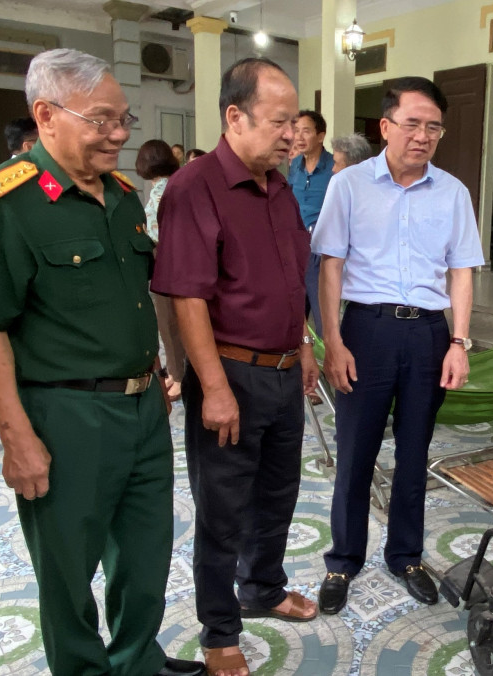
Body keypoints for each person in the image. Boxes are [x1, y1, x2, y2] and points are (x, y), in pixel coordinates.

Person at [0, 49, 204, 676]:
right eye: (101, 120)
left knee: (145, 557)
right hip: (64, 417)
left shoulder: (121, 197)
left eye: (123, 118)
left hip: (142, 408)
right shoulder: (3, 201)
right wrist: (16, 438)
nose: (119, 134)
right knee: (67, 570)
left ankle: (137, 662)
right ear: (46, 115)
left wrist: (160, 374)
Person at [151, 57, 319, 676]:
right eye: (280, 122)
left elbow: (288, 280)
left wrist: (304, 344)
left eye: (295, 123)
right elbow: (187, 297)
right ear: (235, 116)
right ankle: (220, 630)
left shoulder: (279, 187)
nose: (292, 136)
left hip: (283, 370)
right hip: (231, 374)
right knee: (222, 509)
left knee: (278, 493)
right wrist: (214, 388)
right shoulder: (194, 187)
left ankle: (263, 588)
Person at [312, 76, 485, 614]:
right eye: (412, 124)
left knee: (415, 452)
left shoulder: (453, 192)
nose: (423, 136)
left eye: (434, 127)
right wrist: (333, 340)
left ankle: (406, 556)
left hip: (429, 334)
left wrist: (459, 342)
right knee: (354, 453)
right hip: (366, 330)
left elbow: (461, 271)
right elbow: (331, 266)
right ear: (385, 126)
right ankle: (343, 561)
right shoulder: (349, 185)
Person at [136, 139, 186, 399]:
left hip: (165, 259)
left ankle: (178, 376)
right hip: (182, 259)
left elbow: (154, 232)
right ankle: (179, 373)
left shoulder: (159, 192)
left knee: (168, 323)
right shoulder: (179, 184)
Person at [288, 110, 333, 337]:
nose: (299, 137)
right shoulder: (295, 165)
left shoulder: (334, 166)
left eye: (306, 131)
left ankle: (330, 357)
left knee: (324, 318)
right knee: (294, 318)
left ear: (320, 136)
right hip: (296, 249)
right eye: (296, 131)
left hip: (322, 252)